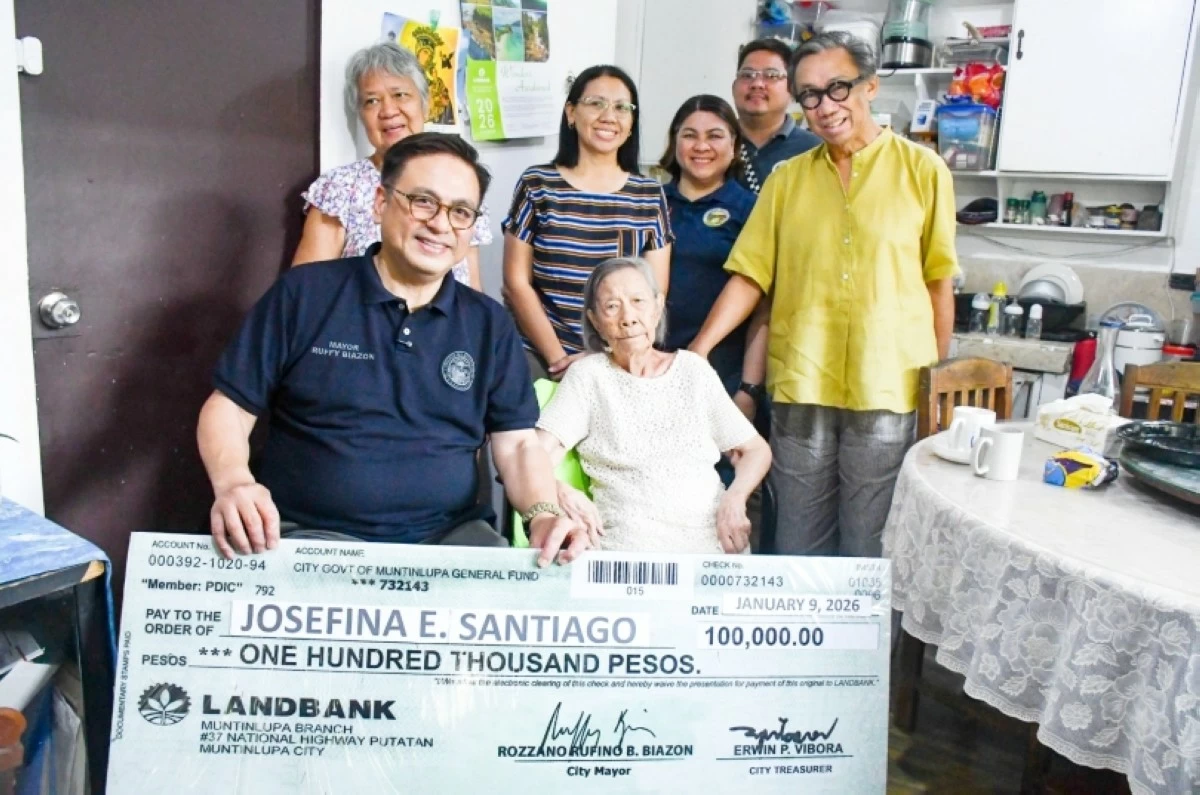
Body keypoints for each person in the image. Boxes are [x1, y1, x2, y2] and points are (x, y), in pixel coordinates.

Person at [198, 133, 586, 567]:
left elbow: (516, 446)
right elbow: (229, 407)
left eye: (460, 212)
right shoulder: (304, 295)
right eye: (423, 201)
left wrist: (542, 514)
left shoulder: (488, 324)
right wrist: (233, 482)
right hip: (307, 539)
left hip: (450, 539)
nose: (440, 224)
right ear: (381, 203)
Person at [690, 32, 958, 559]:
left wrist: (936, 387)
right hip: (801, 386)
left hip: (889, 387)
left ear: (871, 86)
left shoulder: (923, 170)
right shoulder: (788, 180)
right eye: (809, 95)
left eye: (838, 88)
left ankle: (861, 646)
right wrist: (697, 353)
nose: (824, 107)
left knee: (869, 547)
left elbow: (937, 283)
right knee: (797, 547)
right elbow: (750, 275)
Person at [535, 258, 772, 555]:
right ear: (595, 321)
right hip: (623, 552)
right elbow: (532, 455)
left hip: (710, 547)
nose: (628, 317)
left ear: (658, 308)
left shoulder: (693, 371)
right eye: (612, 306)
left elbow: (754, 450)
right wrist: (561, 493)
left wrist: (735, 500)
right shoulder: (589, 377)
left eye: (638, 302)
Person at [502, 64, 673, 382]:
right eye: (596, 103)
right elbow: (516, 284)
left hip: (622, 356)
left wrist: (610, 358)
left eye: (622, 107)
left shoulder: (648, 195)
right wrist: (560, 361)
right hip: (541, 356)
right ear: (571, 113)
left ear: (632, 122)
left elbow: (654, 293)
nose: (609, 115)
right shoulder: (538, 184)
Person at [292, 42, 490, 290]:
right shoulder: (340, 187)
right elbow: (304, 291)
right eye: (371, 101)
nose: (387, 111)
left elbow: (471, 286)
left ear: (425, 104)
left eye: (400, 95)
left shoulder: (460, 184)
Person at [657, 95, 762, 424]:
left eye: (714, 135)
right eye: (689, 135)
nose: (701, 145)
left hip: (721, 373)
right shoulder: (649, 202)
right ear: (675, 141)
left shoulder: (752, 209)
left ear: (734, 144)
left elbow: (764, 308)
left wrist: (749, 388)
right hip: (651, 366)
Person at [732, 38, 821, 194]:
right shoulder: (713, 144)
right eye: (747, 75)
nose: (757, 84)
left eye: (771, 75)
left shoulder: (814, 151)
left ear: (793, 90)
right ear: (734, 86)